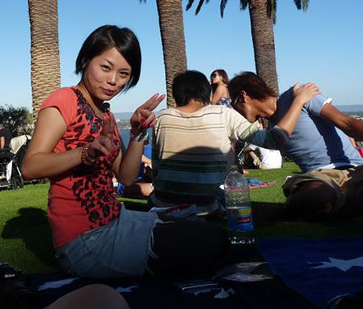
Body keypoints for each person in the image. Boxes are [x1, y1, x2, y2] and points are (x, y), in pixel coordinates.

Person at [22, 25, 228, 280]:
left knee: (214, 235)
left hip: (117, 220)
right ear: (85, 60)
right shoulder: (64, 100)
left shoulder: (105, 113)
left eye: (124, 74)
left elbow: (126, 176)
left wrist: (138, 133)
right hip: (86, 241)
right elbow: (30, 166)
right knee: (209, 247)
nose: (113, 81)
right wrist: (86, 153)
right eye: (105, 67)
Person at [150, 71, 320, 215]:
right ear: (207, 92)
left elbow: (157, 170)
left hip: (163, 206)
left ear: (176, 95)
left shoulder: (161, 118)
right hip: (206, 208)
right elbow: (274, 141)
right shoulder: (223, 114)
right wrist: (298, 102)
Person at [228, 72, 363, 218]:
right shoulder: (275, 128)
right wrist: (298, 101)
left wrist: (299, 99)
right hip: (320, 177)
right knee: (318, 194)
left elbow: (347, 123)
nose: (234, 110)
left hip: (354, 169)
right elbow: (276, 138)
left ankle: (342, 205)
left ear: (243, 96)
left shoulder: (299, 94)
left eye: (233, 103)